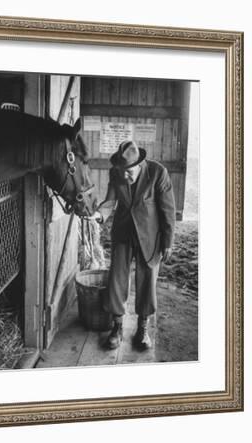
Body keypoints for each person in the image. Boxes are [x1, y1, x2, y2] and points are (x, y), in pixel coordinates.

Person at [88, 140, 176, 351]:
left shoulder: (158, 172)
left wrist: (168, 241)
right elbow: (110, 201)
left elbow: (168, 210)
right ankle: (117, 327)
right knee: (117, 279)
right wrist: (99, 215)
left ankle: (142, 328)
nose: (124, 176)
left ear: (139, 164)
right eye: (121, 172)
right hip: (123, 232)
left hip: (150, 235)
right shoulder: (116, 173)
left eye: (129, 172)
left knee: (147, 281)